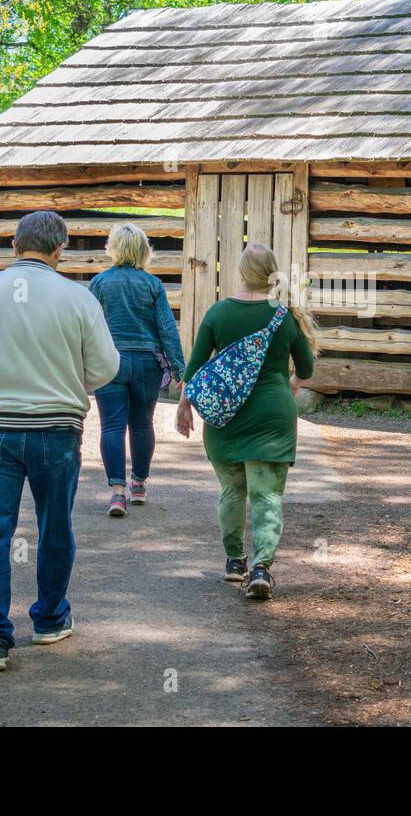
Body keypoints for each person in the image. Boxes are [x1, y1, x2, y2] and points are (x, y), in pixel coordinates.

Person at [0, 210, 119, 672]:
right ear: (59, 249)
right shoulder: (78, 298)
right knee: (55, 526)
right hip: (56, 429)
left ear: (16, 245)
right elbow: (104, 368)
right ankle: (48, 618)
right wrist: (67, 378)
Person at [175, 243, 317, 600]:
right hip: (273, 416)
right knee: (267, 494)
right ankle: (262, 568)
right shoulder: (284, 315)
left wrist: (183, 406)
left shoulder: (218, 313)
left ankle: (235, 562)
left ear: (240, 273)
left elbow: (193, 370)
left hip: (226, 417)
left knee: (232, 490)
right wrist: (291, 386)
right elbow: (307, 369)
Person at [87, 222, 186, 516]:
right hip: (147, 362)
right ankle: (139, 485)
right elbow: (167, 329)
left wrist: (81, 364)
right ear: (144, 251)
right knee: (142, 423)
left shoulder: (100, 283)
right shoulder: (153, 285)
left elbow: (89, 327)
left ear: (113, 249)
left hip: (110, 361)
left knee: (112, 425)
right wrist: (179, 368)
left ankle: (117, 493)